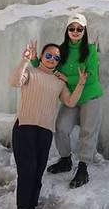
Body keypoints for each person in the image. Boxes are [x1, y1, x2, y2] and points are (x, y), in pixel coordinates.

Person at [8, 41, 87, 209]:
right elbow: (14, 82)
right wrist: (24, 61)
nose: (52, 59)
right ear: (42, 56)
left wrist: (80, 84)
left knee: (37, 171)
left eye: (56, 57)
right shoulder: (31, 72)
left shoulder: (59, 81)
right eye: (49, 55)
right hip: (24, 127)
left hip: (45, 131)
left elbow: (70, 101)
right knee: (26, 170)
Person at [30, 13, 104, 189]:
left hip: (90, 96)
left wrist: (66, 78)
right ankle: (65, 160)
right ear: (67, 30)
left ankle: (83, 168)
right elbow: (48, 68)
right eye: (72, 28)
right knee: (61, 127)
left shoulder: (90, 50)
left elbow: (91, 76)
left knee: (88, 130)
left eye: (79, 29)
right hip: (70, 97)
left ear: (84, 31)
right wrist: (34, 60)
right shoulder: (61, 50)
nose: (75, 31)